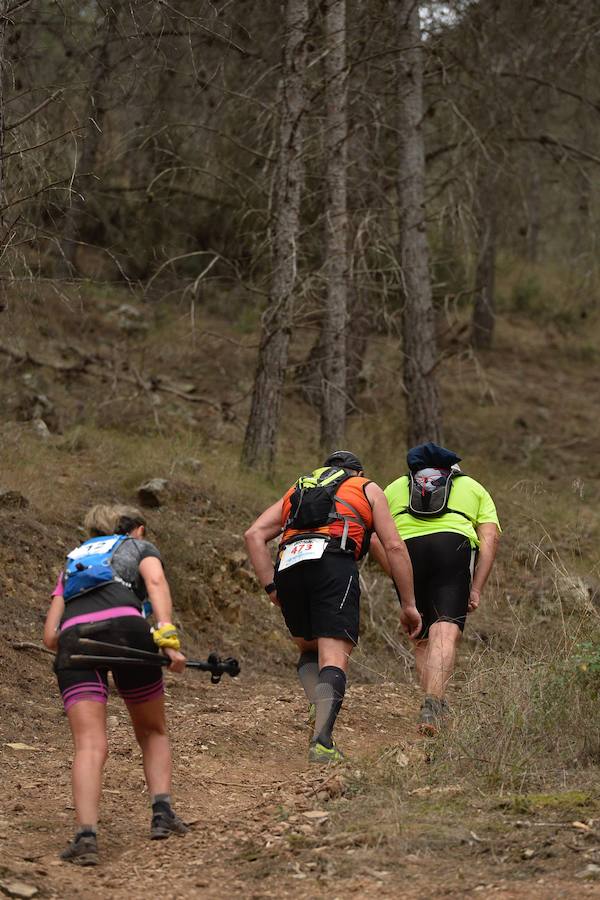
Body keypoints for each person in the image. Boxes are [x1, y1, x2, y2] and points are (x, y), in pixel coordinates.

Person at [244, 450, 420, 764]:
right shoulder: (366, 487)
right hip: (333, 562)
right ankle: (322, 742)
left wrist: (271, 584)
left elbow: (254, 534)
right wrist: (409, 603)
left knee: (309, 648)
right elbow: (393, 545)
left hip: (290, 563)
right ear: (357, 471)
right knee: (334, 656)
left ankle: (318, 700)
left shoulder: (298, 487)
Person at [43, 504, 188, 866]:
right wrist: (168, 641)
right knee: (152, 731)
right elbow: (155, 583)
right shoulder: (138, 547)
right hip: (128, 631)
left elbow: (49, 637)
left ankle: (86, 837)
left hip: (75, 641)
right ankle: (162, 815)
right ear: (135, 529)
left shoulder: (73, 559)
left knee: (89, 745)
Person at [370, 442, 501, 734]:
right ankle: (433, 704)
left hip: (407, 552)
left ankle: (433, 704)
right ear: (452, 468)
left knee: (422, 636)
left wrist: (399, 575)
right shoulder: (473, 486)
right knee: (446, 631)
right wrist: (476, 587)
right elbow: (490, 540)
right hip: (452, 547)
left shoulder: (394, 487)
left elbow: (375, 539)